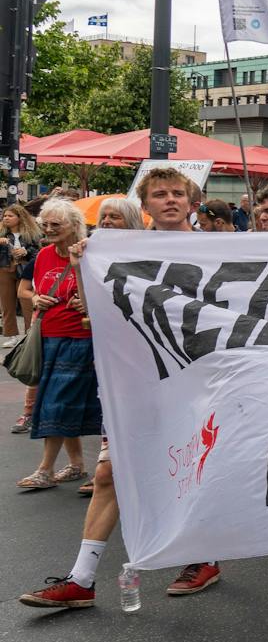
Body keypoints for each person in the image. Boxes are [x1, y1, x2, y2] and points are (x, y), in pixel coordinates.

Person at [19, 169, 225, 609]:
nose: (170, 200)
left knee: (193, 470)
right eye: (159, 194)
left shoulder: (219, 250)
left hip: (199, 383)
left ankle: (204, 558)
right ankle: (81, 580)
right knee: (109, 473)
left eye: (177, 194)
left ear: (191, 202)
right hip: (138, 382)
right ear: (145, 206)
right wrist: (82, 267)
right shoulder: (121, 254)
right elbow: (97, 315)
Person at [15, 198, 96, 492]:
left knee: (56, 402)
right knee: (64, 403)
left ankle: (45, 469)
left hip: (81, 338)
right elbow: (26, 290)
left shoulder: (91, 254)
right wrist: (36, 299)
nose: (48, 229)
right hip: (49, 335)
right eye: (45, 224)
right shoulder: (44, 255)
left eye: (56, 224)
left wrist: (86, 299)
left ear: (74, 226)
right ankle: (76, 465)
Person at [0, 203, 41, 339]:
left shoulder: (31, 233)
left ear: (19, 217)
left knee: (27, 302)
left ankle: (29, 335)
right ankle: (11, 336)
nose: (6, 218)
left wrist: (25, 251)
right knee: (7, 304)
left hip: (25, 269)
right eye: (4, 216)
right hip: (5, 269)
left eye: (10, 216)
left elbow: (37, 251)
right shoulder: (1, 233)